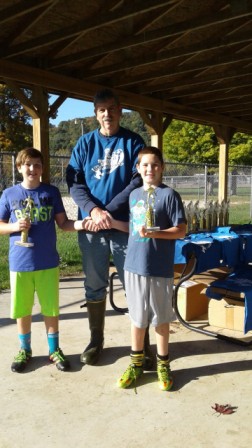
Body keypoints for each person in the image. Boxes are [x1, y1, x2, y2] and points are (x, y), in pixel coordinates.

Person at [66, 88, 147, 366]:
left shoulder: (133, 142)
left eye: (111, 108)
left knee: (133, 284)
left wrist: (109, 212)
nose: (107, 114)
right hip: (92, 227)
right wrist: (94, 211)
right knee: (94, 283)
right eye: (101, 109)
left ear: (120, 110)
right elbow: (75, 183)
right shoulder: (85, 143)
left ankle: (142, 345)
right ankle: (96, 340)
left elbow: (137, 182)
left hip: (124, 225)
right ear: (95, 114)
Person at [0, 147, 97, 373]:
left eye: (37, 165)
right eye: (28, 165)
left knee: (51, 309)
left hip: (47, 262)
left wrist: (83, 223)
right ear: (19, 168)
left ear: (42, 169)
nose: (32, 169)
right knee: (23, 309)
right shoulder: (9, 194)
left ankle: (54, 350)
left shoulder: (50, 192)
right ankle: (25, 349)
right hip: (20, 263)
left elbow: (63, 224)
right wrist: (15, 227)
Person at [116, 146, 187, 391]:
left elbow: (181, 230)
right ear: (138, 168)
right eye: (145, 165)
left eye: (155, 164)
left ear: (162, 167)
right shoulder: (134, 195)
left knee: (160, 319)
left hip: (158, 268)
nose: (150, 169)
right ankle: (136, 364)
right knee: (137, 318)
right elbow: (134, 227)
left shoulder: (170, 196)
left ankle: (163, 364)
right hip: (134, 266)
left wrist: (155, 232)